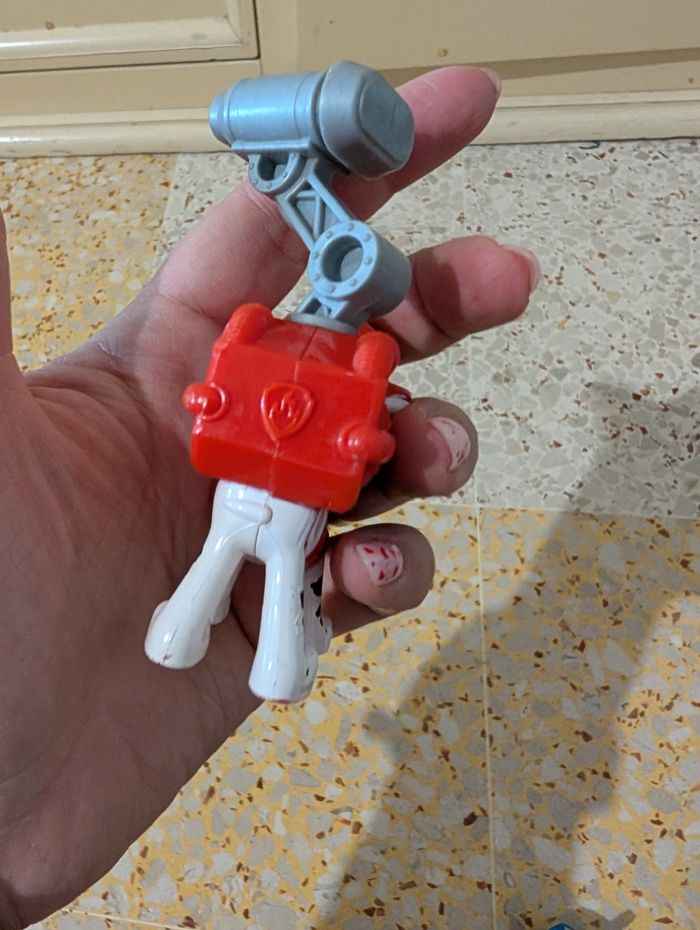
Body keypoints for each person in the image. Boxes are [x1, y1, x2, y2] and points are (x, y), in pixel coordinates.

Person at [0, 65, 539, 928]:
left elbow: (295, 392)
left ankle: (200, 639)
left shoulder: (302, 346)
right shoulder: (311, 347)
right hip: (270, 499)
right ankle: (255, 654)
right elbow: (282, 387)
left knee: (233, 566)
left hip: (250, 497)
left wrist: (357, 427)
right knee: (270, 574)